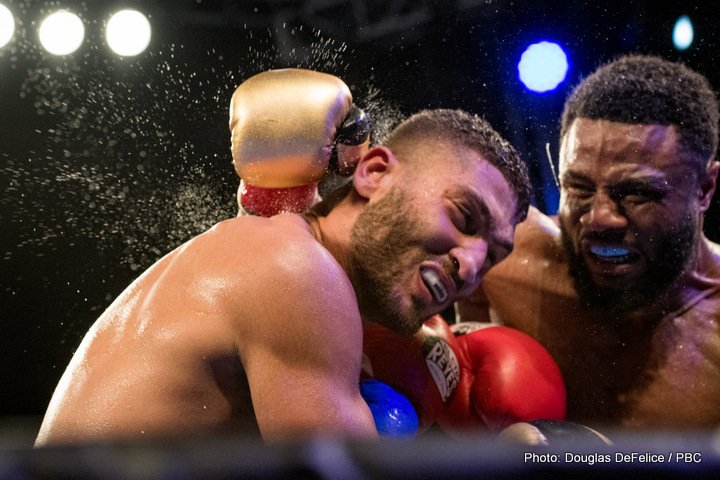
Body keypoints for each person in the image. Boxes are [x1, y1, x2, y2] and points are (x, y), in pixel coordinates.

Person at [34, 69, 532, 446]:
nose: (471, 266)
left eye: (492, 257)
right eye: (465, 218)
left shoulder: (275, 245)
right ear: (374, 173)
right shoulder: (300, 272)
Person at [457, 54, 720, 429]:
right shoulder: (504, 258)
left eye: (637, 193)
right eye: (578, 187)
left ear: (705, 188)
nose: (600, 219)